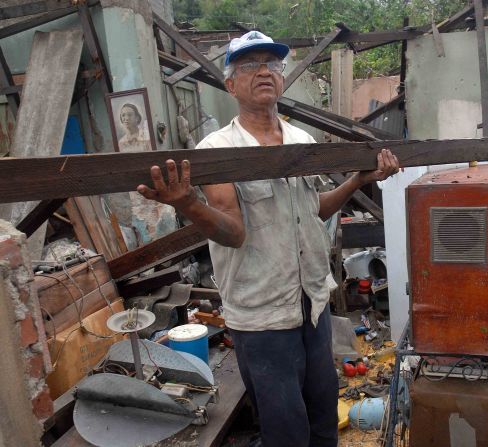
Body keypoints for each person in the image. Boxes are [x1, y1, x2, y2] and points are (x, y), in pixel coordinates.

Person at [137, 30, 399, 447]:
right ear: (230, 84)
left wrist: (358, 180)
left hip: (311, 305)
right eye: (249, 65)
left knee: (323, 416)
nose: (264, 72)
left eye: (272, 65)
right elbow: (233, 232)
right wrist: (187, 202)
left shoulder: (302, 142)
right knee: (285, 429)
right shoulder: (218, 149)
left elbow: (314, 210)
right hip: (261, 317)